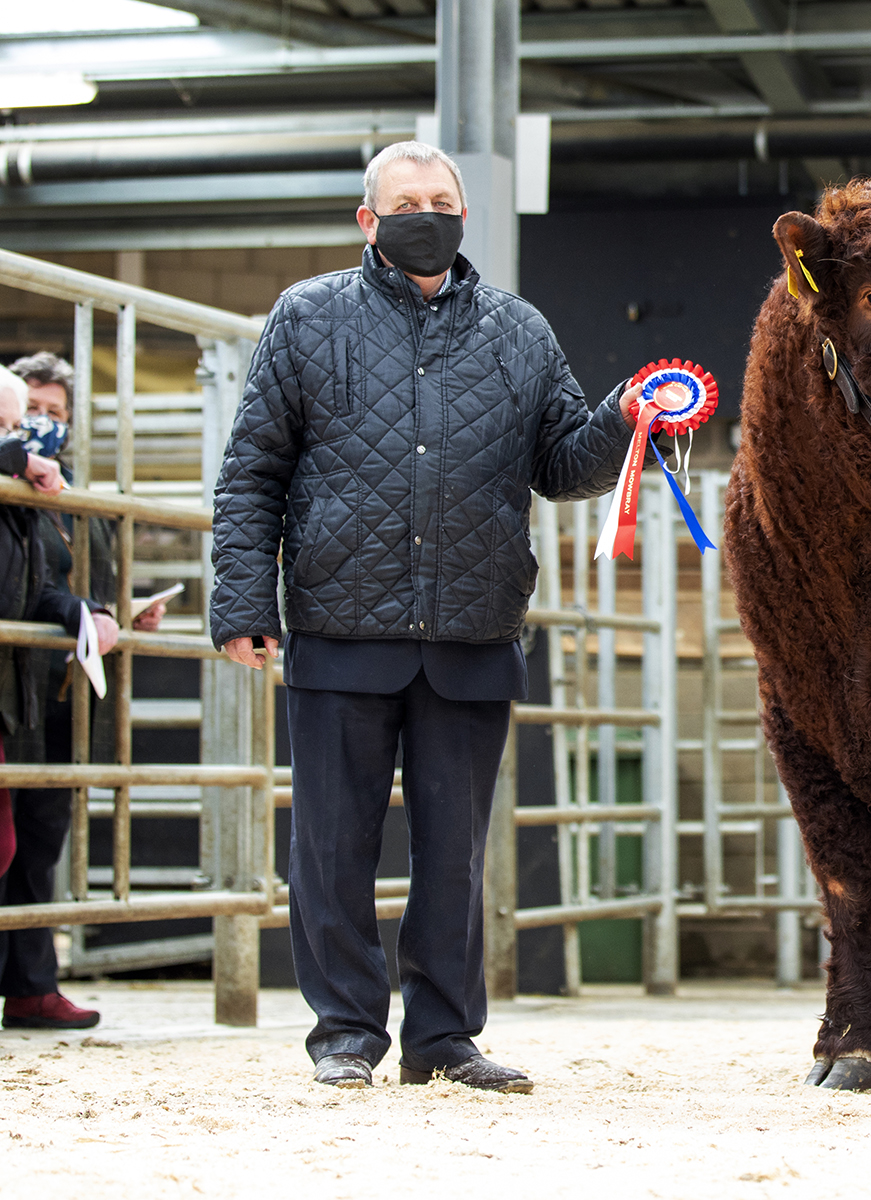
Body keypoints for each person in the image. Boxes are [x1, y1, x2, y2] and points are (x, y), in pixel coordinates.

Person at [210, 141, 645, 1093]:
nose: (427, 211)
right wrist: (242, 599)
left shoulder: (519, 329)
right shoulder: (307, 316)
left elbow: (563, 464)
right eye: (406, 200)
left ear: (461, 213)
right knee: (333, 845)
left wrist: (624, 418)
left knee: (456, 851)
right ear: (368, 220)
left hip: (470, 630)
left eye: (441, 199)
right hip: (340, 625)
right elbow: (252, 473)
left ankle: (444, 1039)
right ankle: (346, 1035)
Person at [0, 353, 165, 1031]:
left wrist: (121, 613)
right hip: (19, 685)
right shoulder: (19, 490)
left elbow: (75, 585)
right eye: (27, 412)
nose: (39, 426)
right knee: (10, 841)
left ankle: (33, 984)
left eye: (52, 414)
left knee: (37, 842)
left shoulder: (77, 502)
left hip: (64, 689)